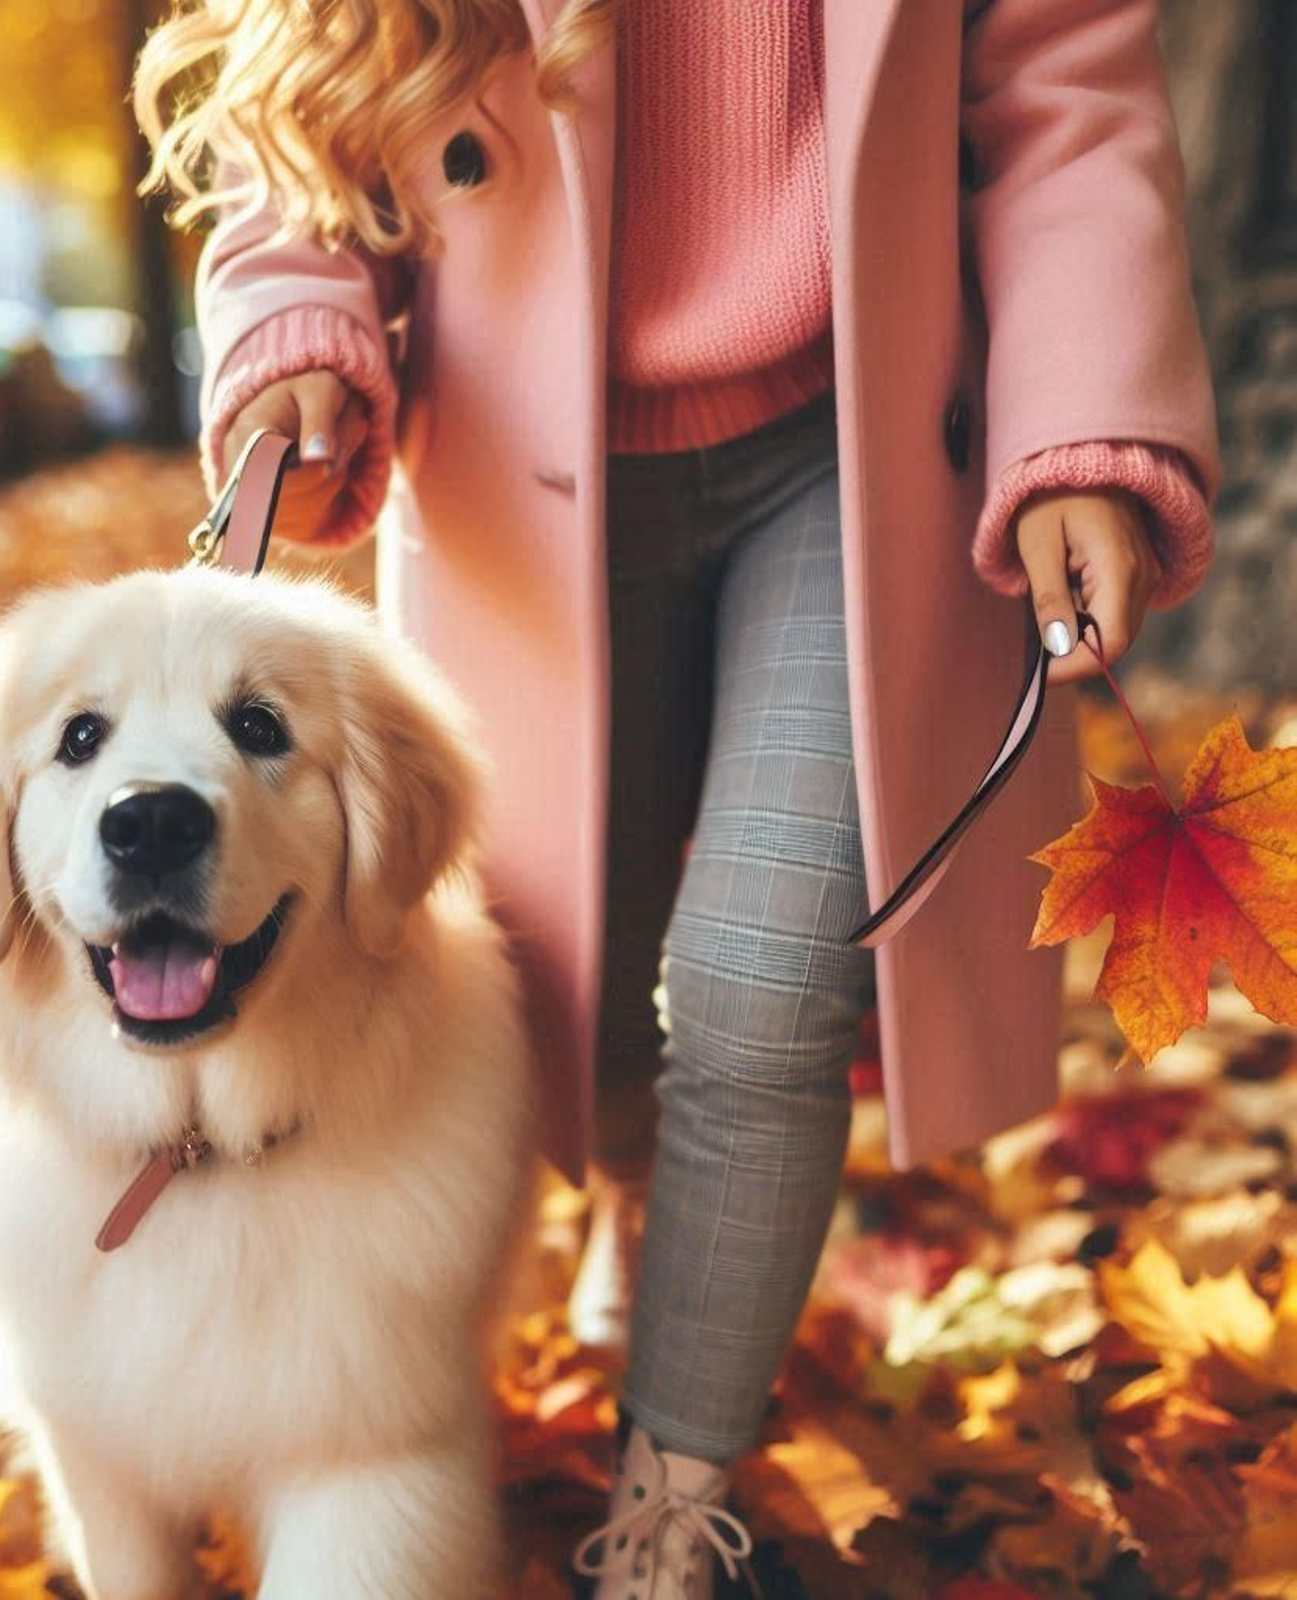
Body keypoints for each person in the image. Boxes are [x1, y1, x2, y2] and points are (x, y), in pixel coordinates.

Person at [136, 2, 1219, 1594]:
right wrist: (297, 338)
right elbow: (310, 108)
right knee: (561, 991)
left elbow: (1064, 100)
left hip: (856, 442)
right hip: (519, 470)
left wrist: (1082, 432)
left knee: (766, 981)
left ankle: (672, 1497)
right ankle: (637, 1204)